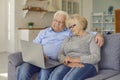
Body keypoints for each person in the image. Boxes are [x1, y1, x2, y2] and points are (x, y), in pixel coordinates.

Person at [17, 11, 103, 80]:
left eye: (60, 22)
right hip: (40, 59)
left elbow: (85, 33)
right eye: (55, 20)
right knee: (23, 68)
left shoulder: (69, 33)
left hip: (53, 62)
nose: (56, 23)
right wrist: (37, 55)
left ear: (65, 25)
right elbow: (34, 46)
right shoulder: (44, 32)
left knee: (45, 73)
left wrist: (98, 34)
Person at [48, 14, 101, 80]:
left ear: (81, 24)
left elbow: (96, 57)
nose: (71, 29)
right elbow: (59, 54)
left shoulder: (91, 38)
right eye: (69, 27)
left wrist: (74, 60)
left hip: (87, 64)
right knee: (54, 77)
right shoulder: (68, 38)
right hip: (69, 64)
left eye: (73, 26)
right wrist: (68, 62)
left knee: (69, 78)